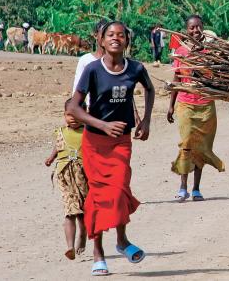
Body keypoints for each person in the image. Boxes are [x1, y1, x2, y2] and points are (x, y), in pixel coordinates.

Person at [68, 20, 155, 276]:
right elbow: (73, 107)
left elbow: (149, 89)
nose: (116, 38)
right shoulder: (92, 69)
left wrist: (146, 120)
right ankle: (99, 253)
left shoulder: (136, 68)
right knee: (98, 196)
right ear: (102, 40)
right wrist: (102, 125)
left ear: (127, 40)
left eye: (121, 35)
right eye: (110, 35)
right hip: (95, 142)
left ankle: (122, 240)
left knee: (118, 191)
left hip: (121, 141)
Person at [167, 15, 225, 202]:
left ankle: (197, 188)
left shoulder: (210, 52)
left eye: (198, 27)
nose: (195, 31)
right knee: (187, 145)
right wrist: (170, 105)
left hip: (206, 106)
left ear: (203, 28)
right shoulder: (181, 52)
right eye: (191, 28)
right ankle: (183, 186)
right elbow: (177, 79)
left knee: (202, 147)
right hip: (185, 104)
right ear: (186, 30)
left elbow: (217, 79)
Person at [43, 99, 89, 261]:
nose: (73, 118)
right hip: (65, 175)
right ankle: (69, 246)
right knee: (70, 212)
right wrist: (51, 157)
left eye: (77, 114)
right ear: (64, 115)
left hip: (84, 176)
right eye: (69, 115)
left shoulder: (88, 132)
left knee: (83, 213)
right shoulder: (60, 131)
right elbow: (58, 145)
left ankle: (82, 234)